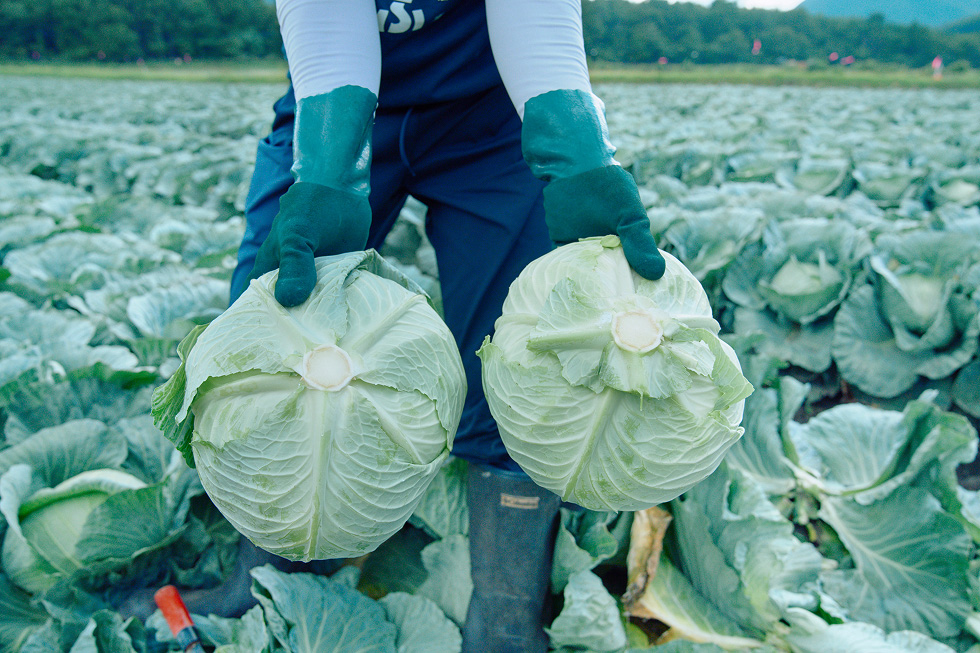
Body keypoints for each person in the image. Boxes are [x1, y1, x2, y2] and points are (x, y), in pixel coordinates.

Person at [229, 1, 665, 650]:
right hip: (334, 108)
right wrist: (326, 172)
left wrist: (577, 154)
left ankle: (506, 611)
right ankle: (266, 579)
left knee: (519, 347)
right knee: (270, 322)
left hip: (492, 117)